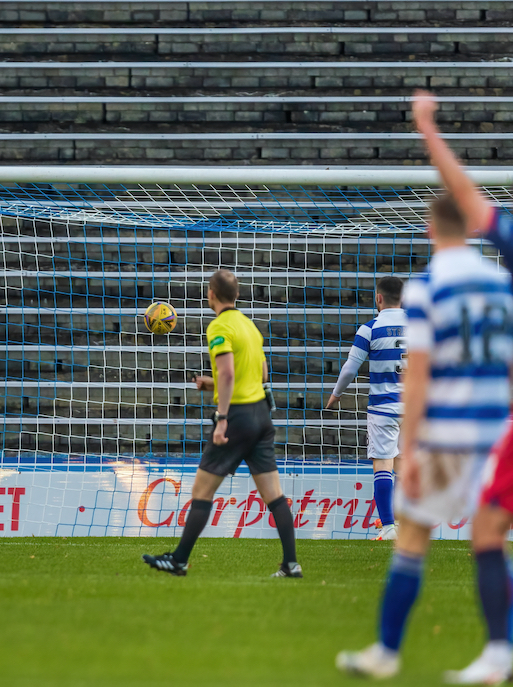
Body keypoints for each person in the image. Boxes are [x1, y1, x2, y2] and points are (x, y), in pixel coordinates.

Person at [336, 193, 513, 682]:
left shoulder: (426, 287)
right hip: (497, 433)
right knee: (489, 540)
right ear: (474, 230)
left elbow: (418, 376)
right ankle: (499, 651)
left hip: (448, 434)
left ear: (432, 231)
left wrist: (410, 448)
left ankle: (387, 651)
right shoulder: (502, 283)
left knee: (411, 536)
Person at [143, 269, 301, 578]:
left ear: (210, 294)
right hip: (260, 415)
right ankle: (291, 564)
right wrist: (211, 384)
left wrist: (222, 418)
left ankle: (179, 560)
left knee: (202, 490)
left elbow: (229, 374)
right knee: (274, 495)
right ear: (237, 295)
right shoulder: (249, 326)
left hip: (237, 418)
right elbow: (261, 375)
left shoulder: (219, 327)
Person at [326, 276, 407, 541]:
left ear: (379, 298)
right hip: (414, 408)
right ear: (403, 298)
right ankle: (410, 526)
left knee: (383, 464)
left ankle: (389, 525)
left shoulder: (370, 329)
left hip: (383, 408)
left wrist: (337, 394)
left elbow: (351, 367)